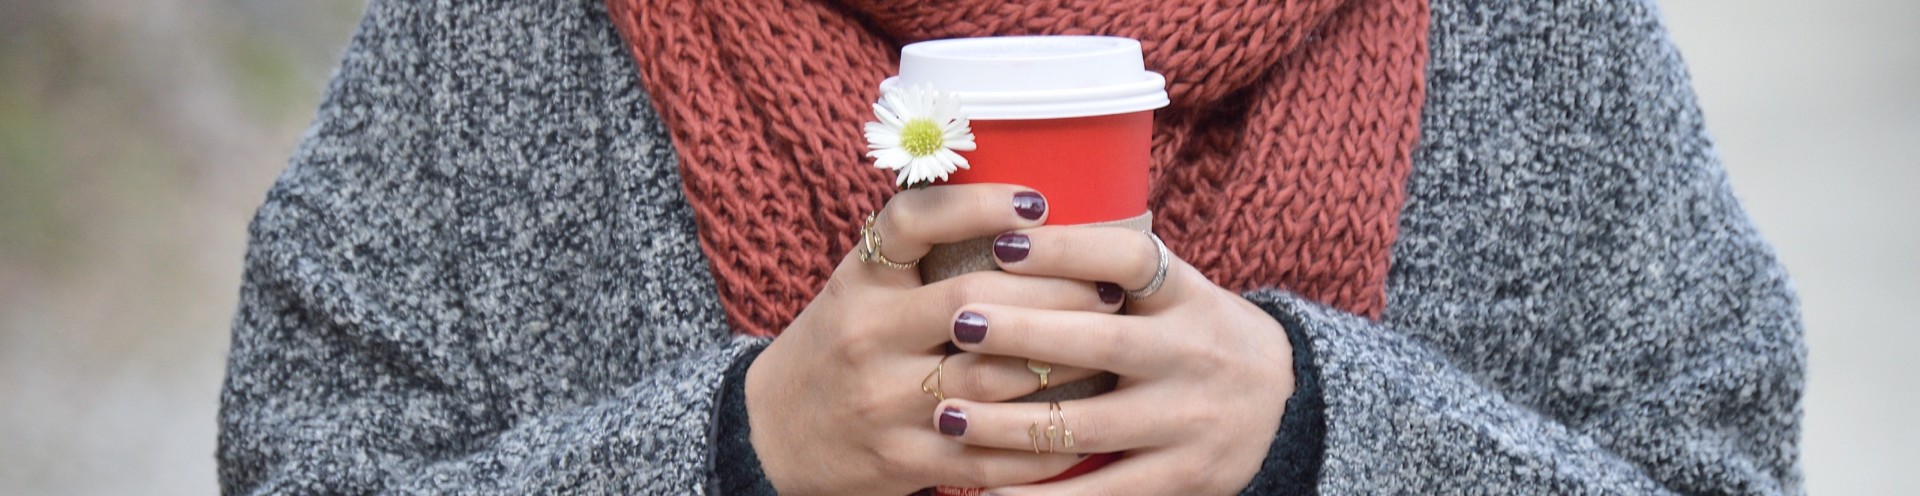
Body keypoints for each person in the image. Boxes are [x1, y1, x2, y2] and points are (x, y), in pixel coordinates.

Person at [216, 0, 1805, 494]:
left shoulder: (1535, 37)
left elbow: (1715, 464)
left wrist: (1325, 429)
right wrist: (733, 446)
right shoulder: (496, 43)